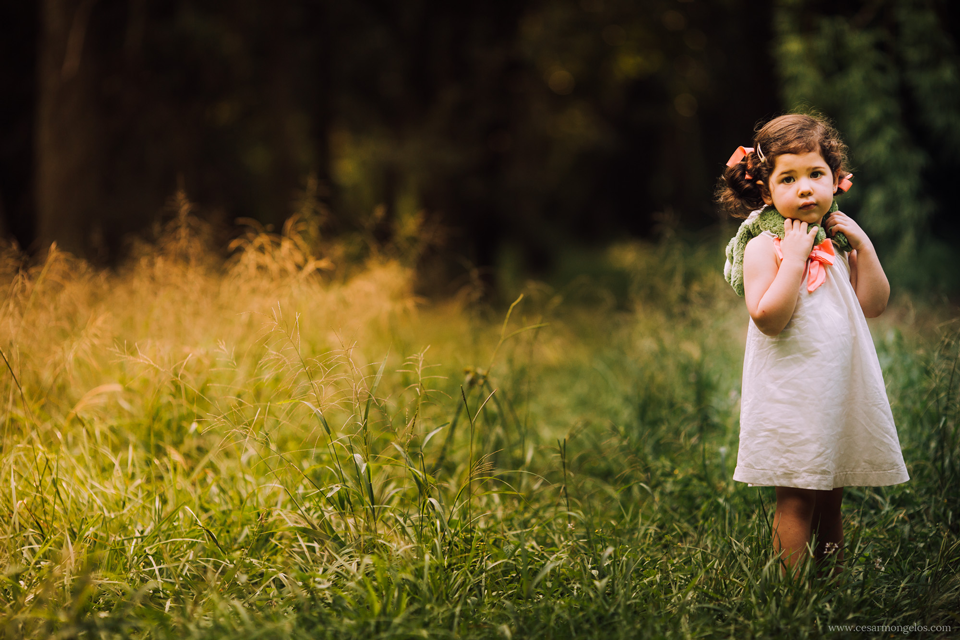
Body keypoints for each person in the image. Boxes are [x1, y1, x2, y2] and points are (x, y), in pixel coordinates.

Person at [717, 113, 909, 573]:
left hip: (835, 386)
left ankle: (833, 582)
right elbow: (768, 318)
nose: (805, 189)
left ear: (836, 180)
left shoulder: (838, 240)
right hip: (791, 391)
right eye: (789, 178)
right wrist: (795, 259)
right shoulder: (766, 245)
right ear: (766, 191)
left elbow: (874, 304)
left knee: (831, 492)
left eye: (815, 174)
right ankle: (792, 592)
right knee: (798, 495)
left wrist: (865, 248)